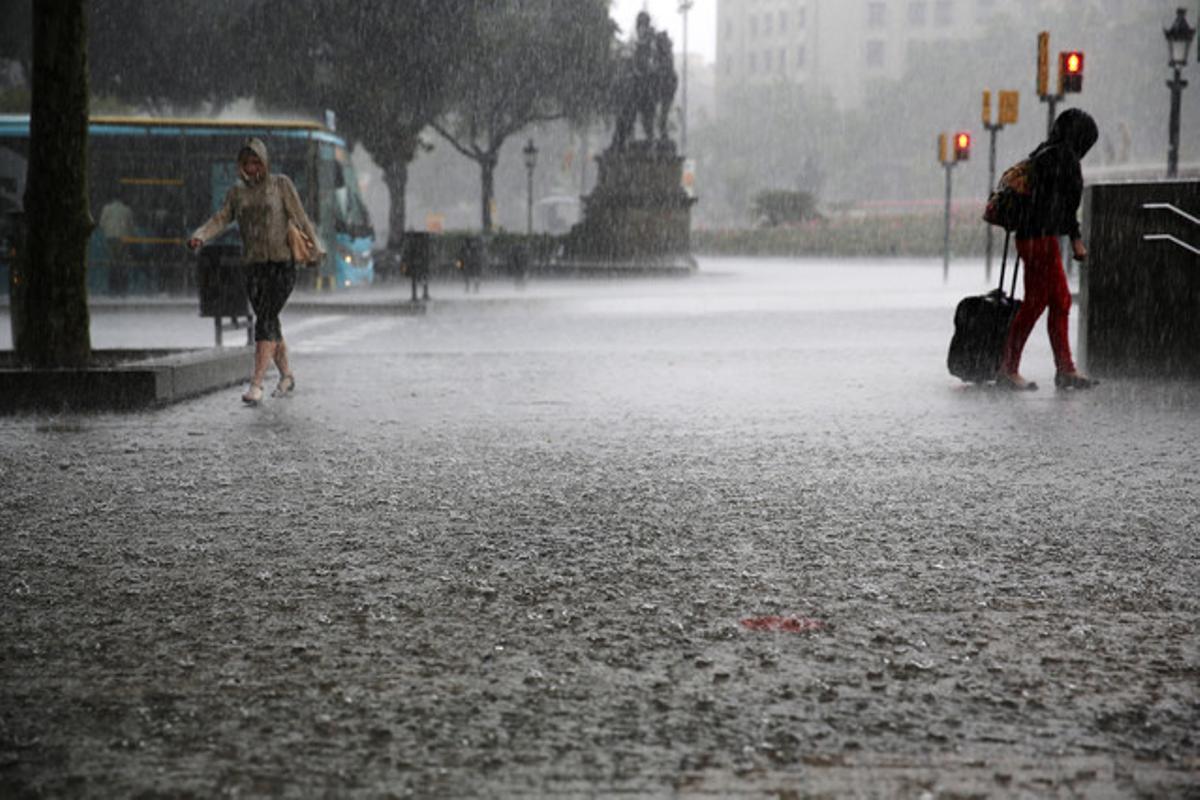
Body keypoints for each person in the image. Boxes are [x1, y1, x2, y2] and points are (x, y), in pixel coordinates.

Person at [187, 137, 322, 404]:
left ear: (265, 162)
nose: (252, 168)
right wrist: (201, 236)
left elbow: (301, 217)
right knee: (270, 321)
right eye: (247, 163)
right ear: (240, 165)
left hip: (282, 265)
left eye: (256, 162)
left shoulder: (281, 185)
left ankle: (256, 384)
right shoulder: (237, 193)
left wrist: (315, 248)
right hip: (253, 267)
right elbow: (222, 218)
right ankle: (286, 375)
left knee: (266, 320)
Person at [999, 108, 1099, 391]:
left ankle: (1065, 368)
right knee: (1035, 304)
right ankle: (1009, 368)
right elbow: (1064, 206)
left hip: (1032, 238)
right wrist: (1076, 239)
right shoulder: (1065, 158)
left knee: (1060, 301)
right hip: (1040, 239)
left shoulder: (1043, 152)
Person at [98, 190, 134, 296]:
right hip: (124, 238)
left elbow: (101, 224)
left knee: (113, 262)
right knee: (122, 263)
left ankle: (112, 287)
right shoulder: (127, 210)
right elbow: (131, 226)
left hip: (110, 238)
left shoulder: (106, 209)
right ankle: (123, 288)